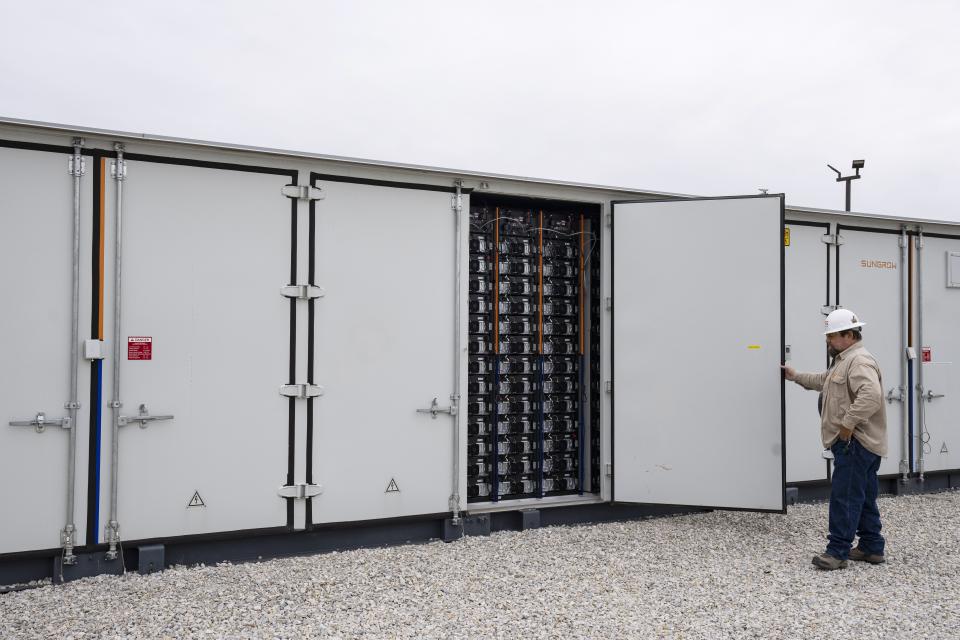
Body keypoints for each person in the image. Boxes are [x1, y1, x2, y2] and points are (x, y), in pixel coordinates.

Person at [781, 308, 888, 570]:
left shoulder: (858, 361)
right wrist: (795, 377)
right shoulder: (845, 360)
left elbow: (871, 396)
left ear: (849, 335)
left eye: (831, 336)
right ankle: (871, 547)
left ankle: (837, 552)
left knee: (845, 497)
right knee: (863, 496)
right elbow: (825, 381)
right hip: (862, 444)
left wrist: (847, 426)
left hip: (855, 444)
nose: (828, 341)